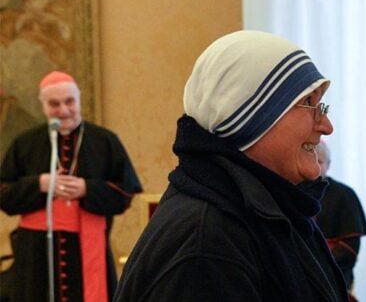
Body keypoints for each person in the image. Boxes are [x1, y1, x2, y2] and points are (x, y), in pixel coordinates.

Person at [114, 30, 347, 301]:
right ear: (252, 115)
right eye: (309, 103)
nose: (326, 126)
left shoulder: (268, 211)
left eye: (322, 106)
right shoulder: (206, 244)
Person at [0, 71, 143, 302]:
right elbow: (4, 196)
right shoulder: (24, 143)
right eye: (54, 104)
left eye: (69, 102)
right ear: (43, 105)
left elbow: (126, 193)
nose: (63, 110)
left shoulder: (104, 141)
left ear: (79, 100)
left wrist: (87, 189)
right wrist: (39, 184)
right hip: (35, 253)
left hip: (87, 249)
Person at [314, 141, 366, 299]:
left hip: (334, 278)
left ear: (328, 164)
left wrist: (316, 263)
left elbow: (349, 249)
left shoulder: (344, 195)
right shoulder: (293, 191)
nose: (315, 166)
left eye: (319, 161)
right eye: (311, 159)